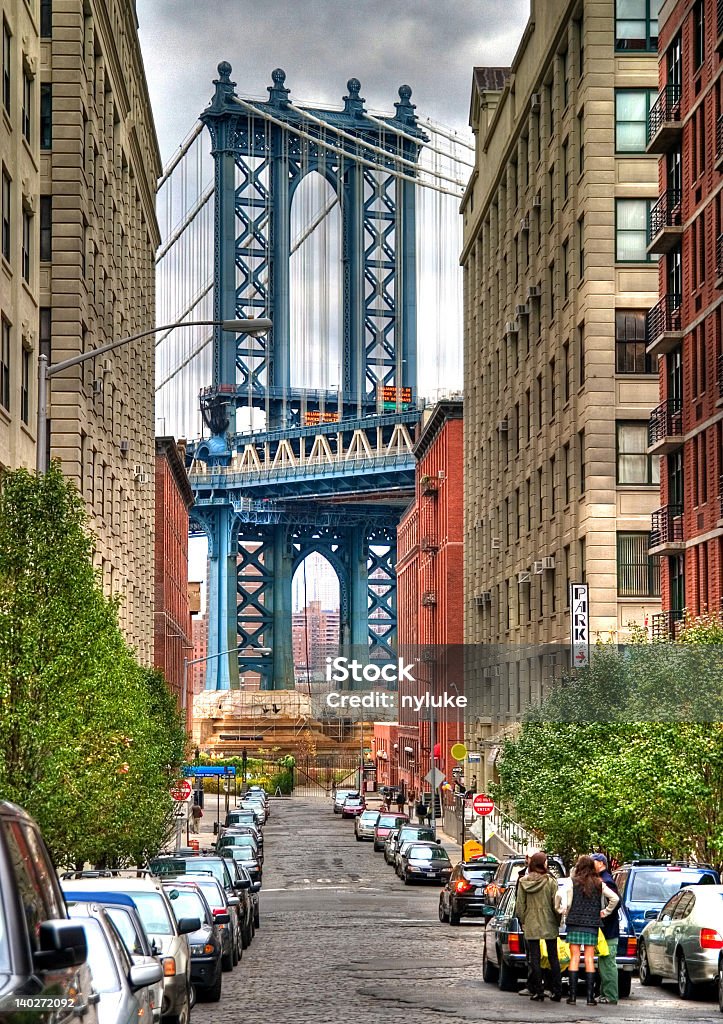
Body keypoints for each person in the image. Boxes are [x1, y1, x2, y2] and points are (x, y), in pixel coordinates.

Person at [561, 854, 619, 1006]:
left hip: (574, 923)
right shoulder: (599, 883)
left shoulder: (572, 882)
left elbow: (562, 898)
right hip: (592, 924)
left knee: (574, 957)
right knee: (589, 958)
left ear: (579, 867)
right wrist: (605, 911)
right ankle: (590, 998)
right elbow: (615, 899)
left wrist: (563, 910)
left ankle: (572, 997)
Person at [516, 852, 562, 1002]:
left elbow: (520, 905)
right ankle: (556, 990)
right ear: (542, 863)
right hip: (549, 921)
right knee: (553, 957)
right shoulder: (551, 882)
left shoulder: (523, 882)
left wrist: (523, 920)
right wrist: (557, 920)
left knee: (534, 958)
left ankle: (538, 991)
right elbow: (556, 904)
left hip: (531, 921)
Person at [592, 853, 620, 1005]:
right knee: (604, 963)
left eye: (593, 862)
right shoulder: (605, 879)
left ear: (601, 863)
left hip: (609, 930)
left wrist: (605, 913)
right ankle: (604, 994)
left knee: (608, 963)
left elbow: (617, 901)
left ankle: (610, 995)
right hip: (607, 929)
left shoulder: (607, 881)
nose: (591, 864)